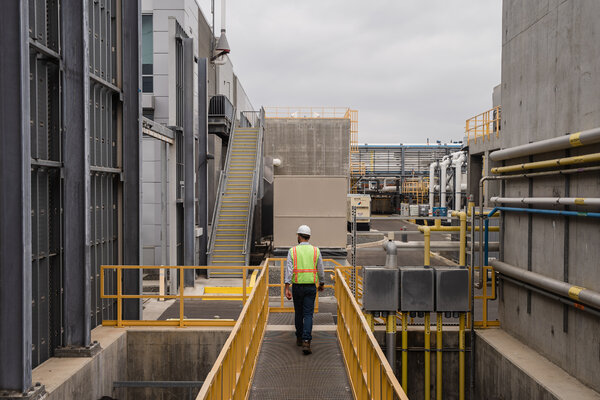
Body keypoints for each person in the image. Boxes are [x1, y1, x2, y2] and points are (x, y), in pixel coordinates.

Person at [284, 225, 325, 355]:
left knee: (299, 313)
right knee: (308, 314)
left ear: (299, 236)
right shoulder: (316, 251)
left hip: (297, 287)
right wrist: (322, 283)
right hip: (310, 287)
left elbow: (289, 270)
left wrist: (287, 287)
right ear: (309, 236)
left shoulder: (292, 251)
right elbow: (321, 269)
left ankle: (299, 337)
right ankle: (307, 340)